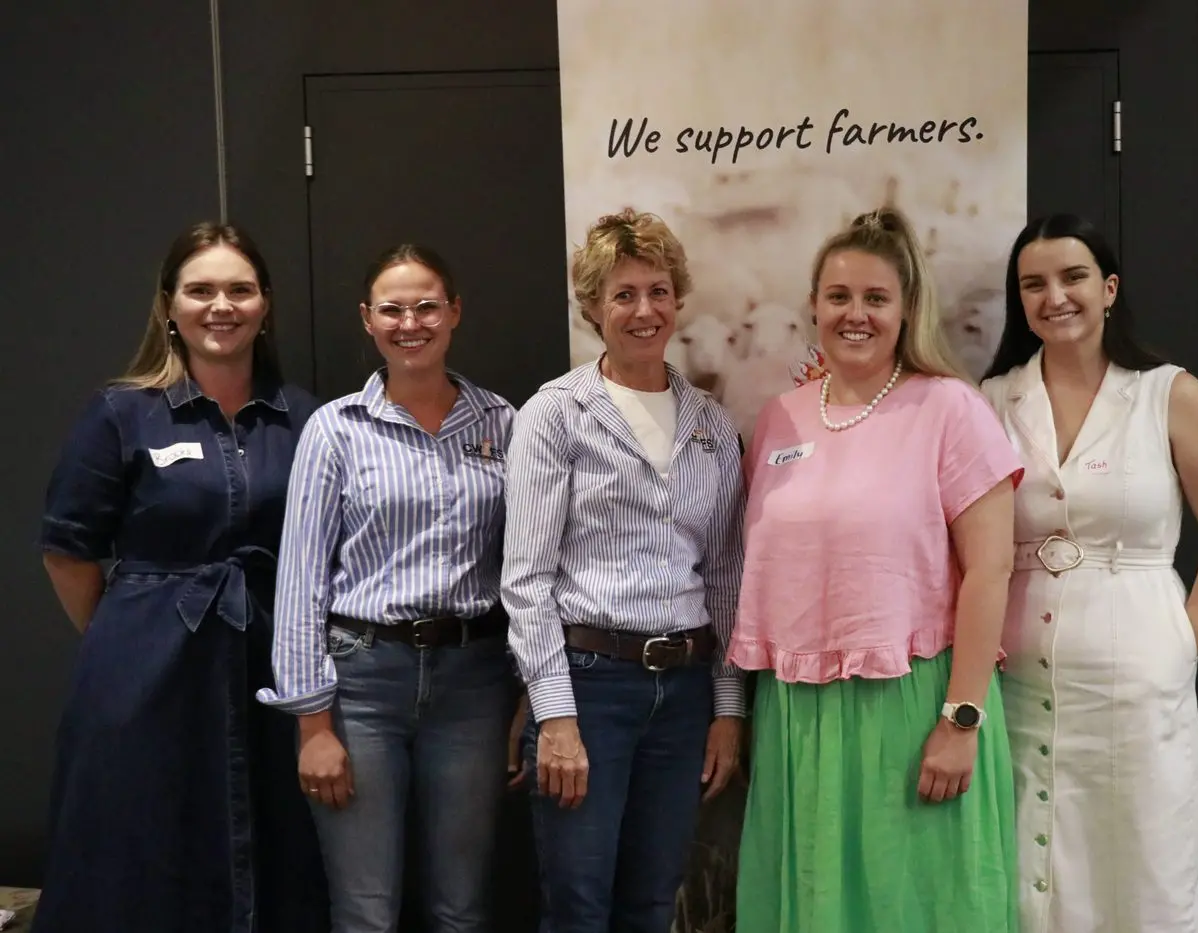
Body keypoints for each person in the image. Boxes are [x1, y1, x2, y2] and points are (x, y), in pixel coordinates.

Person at [729, 207, 1023, 933]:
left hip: (914, 706)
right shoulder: (779, 419)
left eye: (874, 298)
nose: (854, 314)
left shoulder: (950, 408)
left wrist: (960, 718)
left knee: (915, 904)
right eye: (838, 297)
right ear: (813, 305)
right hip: (799, 718)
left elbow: (990, 570)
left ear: (905, 309)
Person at [34, 222, 328, 933]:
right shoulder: (121, 414)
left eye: (239, 288)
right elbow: (67, 550)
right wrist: (129, 633)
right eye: (200, 290)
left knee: (267, 846)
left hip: (266, 667)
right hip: (143, 674)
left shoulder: (307, 420)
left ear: (265, 305)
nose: (220, 305)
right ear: (170, 305)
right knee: (139, 849)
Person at [980, 214, 1198, 933]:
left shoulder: (1168, 395)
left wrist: (1177, 643)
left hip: (1134, 685)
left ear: (1107, 288)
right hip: (1014, 688)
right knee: (1022, 872)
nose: (1054, 297)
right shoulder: (991, 400)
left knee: (1139, 863)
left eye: (1072, 277)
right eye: (1032, 284)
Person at [257, 245, 516, 932]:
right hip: (361, 684)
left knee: (461, 905)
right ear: (368, 321)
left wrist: (528, 696)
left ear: (454, 312)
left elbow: (525, 571)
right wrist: (312, 723)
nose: (411, 322)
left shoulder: (502, 423)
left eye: (426, 305)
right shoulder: (335, 429)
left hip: (473, 684)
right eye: (393, 309)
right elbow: (300, 582)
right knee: (366, 908)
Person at [502, 208, 746, 933]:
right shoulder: (557, 414)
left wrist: (727, 708)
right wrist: (555, 716)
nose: (645, 310)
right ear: (591, 308)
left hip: (683, 691)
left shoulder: (710, 422)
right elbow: (525, 579)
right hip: (589, 685)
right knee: (578, 902)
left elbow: (727, 574)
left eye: (658, 290)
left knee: (651, 898)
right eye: (624, 294)